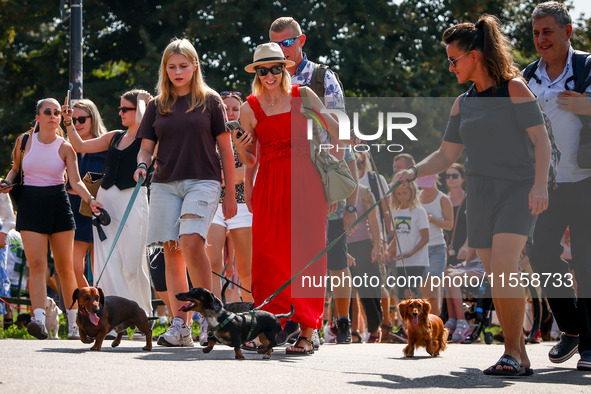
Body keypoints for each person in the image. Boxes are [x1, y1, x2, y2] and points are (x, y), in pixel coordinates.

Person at [394, 15, 551, 376]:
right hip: (480, 193)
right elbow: (446, 154)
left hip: (517, 188)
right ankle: (520, 353)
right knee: (495, 273)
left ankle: (511, 351)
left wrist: (540, 184)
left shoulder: (514, 88)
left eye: (454, 59)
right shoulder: (462, 103)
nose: (450, 67)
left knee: (506, 264)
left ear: (475, 56)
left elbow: (540, 139)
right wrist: (413, 170)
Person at [235, 42, 341, 355]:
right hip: (268, 180)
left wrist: (339, 163)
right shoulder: (248, 108)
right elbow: (249, 159)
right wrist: (245, 169)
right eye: (263, 69)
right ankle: (269, 326)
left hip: (308, 179)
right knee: (267, 255)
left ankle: (308, 329)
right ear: (256, 72)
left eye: (275, 68)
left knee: (309, 252)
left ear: (286, 68)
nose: (269, 74)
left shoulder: (305, 95)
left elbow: (334, 130)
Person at [136, 38, 236, 347]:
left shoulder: (210, 101)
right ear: (164, 69)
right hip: (165, 183)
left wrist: (230, 191)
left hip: (203, 181)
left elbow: (226, 148)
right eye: (171, 66)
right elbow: (146, 148)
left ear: (195, 67)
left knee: (191, 242)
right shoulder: (157, 105)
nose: (177, 71)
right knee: (172, 251)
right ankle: (180, 324)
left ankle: (210, 318)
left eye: (183, 66)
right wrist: (141, 166)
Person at [269, 16, 358, 345]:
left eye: (287, 42)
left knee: (330, 254)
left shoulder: (321, 76)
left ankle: (334, 321)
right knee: (293, 252)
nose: (282, 50)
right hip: (285, 174)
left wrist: (332, 179)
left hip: (321, 170)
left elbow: (340, 126)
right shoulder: (269, 77)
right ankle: (294, 320)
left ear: (301, 40)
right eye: (276, 44)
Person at [0, 98, 102, 340]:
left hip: (58, 204)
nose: (54, 116)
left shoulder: (65, 147)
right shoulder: (24, 141)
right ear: (38, 117)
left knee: (65, 268)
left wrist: (90, 199)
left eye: (57, 112)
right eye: (48, 112)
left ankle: (75, 324)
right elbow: (15, 169)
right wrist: (7, 181)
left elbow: (76, 181)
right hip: (30, 204)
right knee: (36, 265)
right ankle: (38, 320)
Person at [526, 1, 591, 371]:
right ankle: (573, 326)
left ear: (567, 31)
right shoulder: (528, 75)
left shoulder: (587, 65)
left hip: (586, 181)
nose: (540, 39)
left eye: (547, 31)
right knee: (539, 252)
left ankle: (590, 348)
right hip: (546, 185)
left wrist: (589, 107)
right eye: (536, 33)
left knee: (587, 261)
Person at [65, 89, 153, 317]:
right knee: (107, 263)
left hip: (132, 201)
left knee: (132, 265)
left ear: (139, 110)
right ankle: (113, 317)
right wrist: (68, 124)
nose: (121, 113)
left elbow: (145, 129)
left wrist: (144, 101)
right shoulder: (115, 136)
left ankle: (140, 314)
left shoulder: (149, 139)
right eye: (120, 108)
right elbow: (80, 146)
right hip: (106, 203)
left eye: (126, 108)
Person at [206, 90, 253, 303]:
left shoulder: (247, 136)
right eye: (226, 109)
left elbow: (247, 172)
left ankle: (252, 316)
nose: (231, 113)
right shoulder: (208, 136)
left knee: (246, 268)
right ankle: (212, 317)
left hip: (242, 205)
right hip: (213, 205)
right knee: (212, 263)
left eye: (236, 109)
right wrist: (229, 177)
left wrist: (221, 177)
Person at [66, 99, 108, 289]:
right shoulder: (66, 148)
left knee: (101, 268)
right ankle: (89, 304)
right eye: (72, 120)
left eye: (81, 119)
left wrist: (78, 189)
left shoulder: (107, 147)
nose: (76, 124)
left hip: (99, 212)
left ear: (93, 119)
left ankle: (103, 309)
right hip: (72, 212)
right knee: (72, 267)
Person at [346, 159, 384, 343]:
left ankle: (374, 328)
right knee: (345, 288)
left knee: (368, 289)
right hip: (342, 246)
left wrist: (377, 246)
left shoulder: (365, 192)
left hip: (363, 244)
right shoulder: (336, 191)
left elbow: (374, 221)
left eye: (358, 166)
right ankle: (350, 329)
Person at [417, 174, 453, 316]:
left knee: (432, 290)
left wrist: (431, 219)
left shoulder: (443, 199)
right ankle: (424, 325)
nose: (425, 187)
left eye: (428, 183)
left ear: (436, 180)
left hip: (437, 247)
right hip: (419, 249)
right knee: (423, 291)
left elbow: (449, 224)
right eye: (422, 184)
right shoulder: (416, 197)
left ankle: (434, 326)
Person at [387, 181, 429, 299]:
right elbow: (398, 236)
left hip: (417, 260)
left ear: (412, 191)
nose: (401, 196)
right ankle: (406, 318)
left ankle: (417, 317)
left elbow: (426, 237)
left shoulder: (419, 211)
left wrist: (411, 253)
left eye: (404, 193)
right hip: (401, 261)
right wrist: (388, 250)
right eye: (398, 194)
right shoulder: (395, 212)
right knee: (401, 295)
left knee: (412, 292)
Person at [443, 163, 472, 267]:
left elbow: (474, 225)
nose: (451, 178)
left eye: (454, 176)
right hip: (444, 248)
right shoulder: (442, 199)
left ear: (463, 178)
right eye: (447, 176)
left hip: (464, 248)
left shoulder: (470, 199)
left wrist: (466, 246)